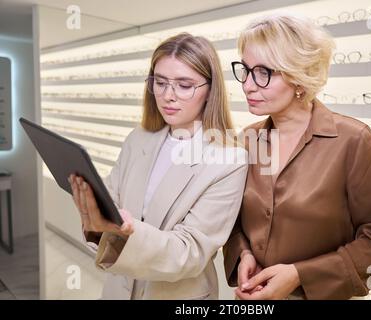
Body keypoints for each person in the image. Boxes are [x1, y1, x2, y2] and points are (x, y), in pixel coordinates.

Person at [223, 14, 371, 300]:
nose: (248, 85)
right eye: (245, 70)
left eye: (264, 72)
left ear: (299, 78)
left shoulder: (354, 141)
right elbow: (232, 220)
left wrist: (299, 276)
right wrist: (243, 253)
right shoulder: (246, 140)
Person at [68, 33, 248, 300]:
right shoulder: (139, 137)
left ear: (211, 90)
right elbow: (111, 198)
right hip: (119, 289)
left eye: (184, 85)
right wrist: (94, 212)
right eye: (160, 82)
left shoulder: (230, 159)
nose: (167, 96)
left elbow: (190, 252)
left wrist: (127, 231)